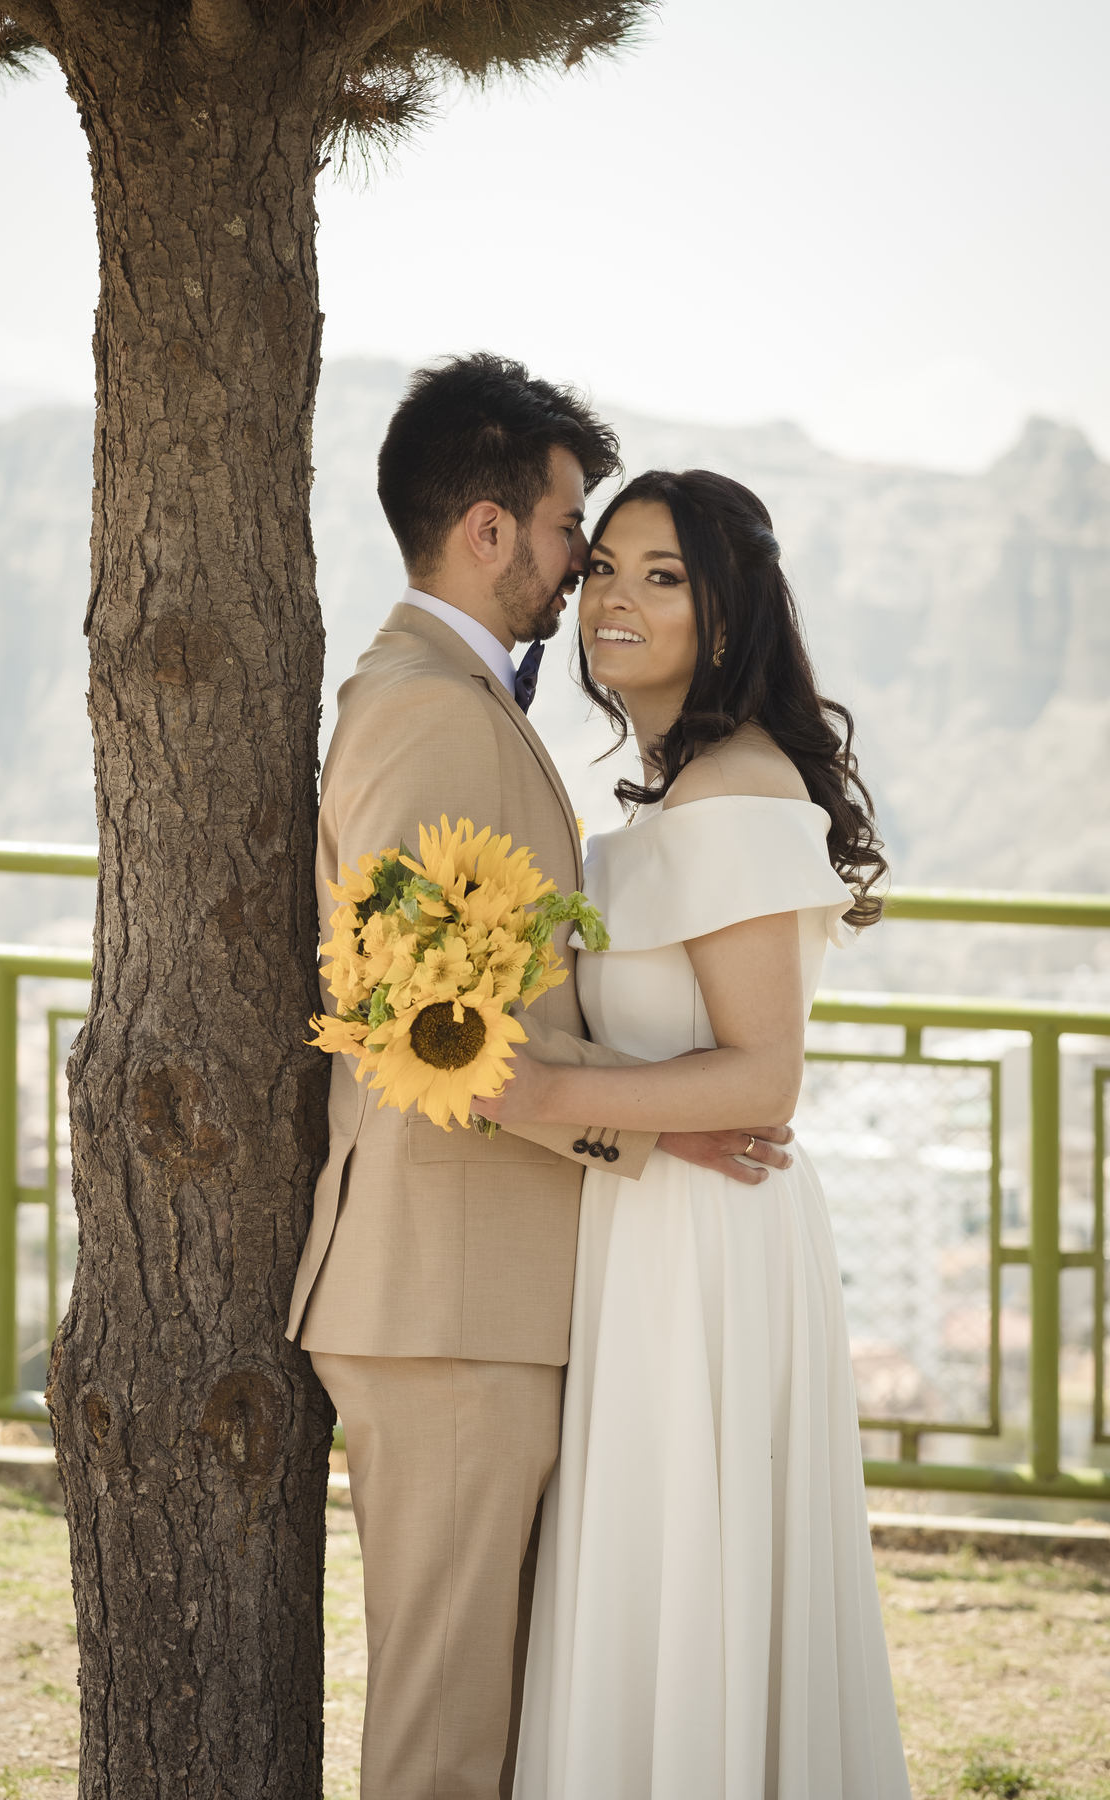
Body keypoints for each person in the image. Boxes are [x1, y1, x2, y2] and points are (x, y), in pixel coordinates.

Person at [284, 360, 795, 1800]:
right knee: (446, 1735)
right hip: (448, 1293)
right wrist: (651, 1127)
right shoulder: (434, 709)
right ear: (494, 530)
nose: (585, 574)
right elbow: (420, 1019)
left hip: (478, 1287)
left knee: (483, 1716)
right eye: (577, 531)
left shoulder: (441, 694)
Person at [473, 469, 912, 1799]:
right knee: (656, 1572)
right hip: (655, 1219)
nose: (614, 597)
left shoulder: (727, 790)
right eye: (602, 565)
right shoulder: (668, 786)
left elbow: (761, 1079)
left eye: (661, 576)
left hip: (708, 1246)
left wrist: (535, 1092)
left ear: (726, 615)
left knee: (686, 1566)